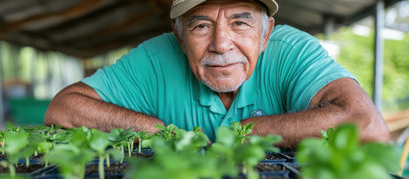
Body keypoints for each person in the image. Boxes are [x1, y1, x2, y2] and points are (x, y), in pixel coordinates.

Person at [45, 0, 389, 148]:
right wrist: (163, 133)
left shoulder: (292, 51)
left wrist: (246, 132)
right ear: (179, 36)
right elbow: (63, 108)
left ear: (266, 32)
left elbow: (367, 126)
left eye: (240, 22)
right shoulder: (155, 57)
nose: (221, 44)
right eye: (201, 25)